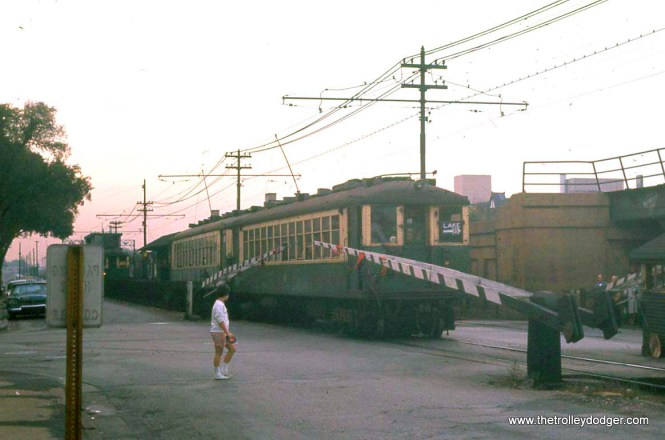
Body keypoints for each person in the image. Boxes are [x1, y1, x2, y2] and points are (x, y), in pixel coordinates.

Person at [210, 284, 236, 380]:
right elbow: (220, 319)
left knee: (232, 349)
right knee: (218, 352)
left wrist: (227, 332)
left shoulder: (219, 304)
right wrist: (227, 332)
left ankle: (224, 370)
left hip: (222, 332)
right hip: (218, 332)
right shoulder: (219, 305)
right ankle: (217, 374)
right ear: (225, 294)